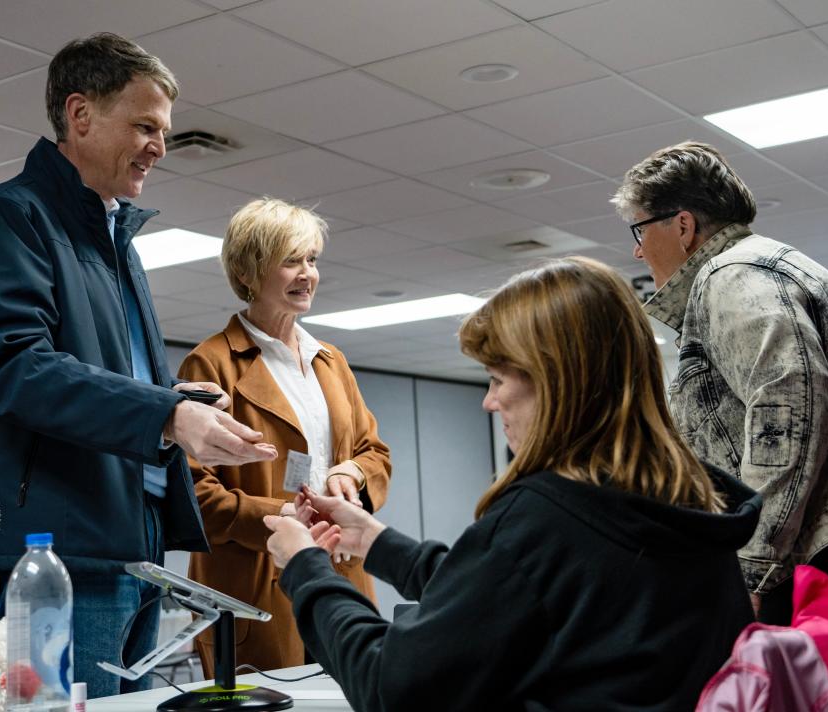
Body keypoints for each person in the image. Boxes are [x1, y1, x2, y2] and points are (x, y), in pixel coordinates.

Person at [0, 33, 276, 697]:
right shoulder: (8, 218)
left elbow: (97, 376)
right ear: (80, 115)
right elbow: (13, 367)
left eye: (165, 131)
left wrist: (173, 397)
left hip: (131, 553)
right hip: (46, 557)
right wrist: (164, 412)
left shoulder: (119, 242)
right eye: (145, 126)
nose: (159, 147)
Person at [264, 257, 761, 711]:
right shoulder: (686, 498)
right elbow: (511, 594)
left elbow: (392, 688)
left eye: (499, 379)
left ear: (557, 383)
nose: (489, 401)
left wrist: (306, 568)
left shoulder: (544, 518)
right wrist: (375, 542)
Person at [613, 141, 828, 625]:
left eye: (639, 229)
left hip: (827, 553)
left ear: (682, 225)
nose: (636, 249)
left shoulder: (732, 275)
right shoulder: (756, 268)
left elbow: (788, 409)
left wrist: (753, 564)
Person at [177, 197, 391, 675]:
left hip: (341, 572)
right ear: (249, 272)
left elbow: (373, 451)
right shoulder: (210, 363)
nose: (306, 274)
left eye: (311, 260)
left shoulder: (330, 360)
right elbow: (194, 493)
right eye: (290, 261)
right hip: (257, 585)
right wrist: (282, 516)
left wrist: (351, 472)